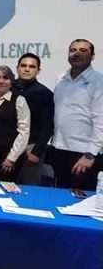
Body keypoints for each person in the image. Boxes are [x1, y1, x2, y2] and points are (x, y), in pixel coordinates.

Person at [48, 39, 103, 190]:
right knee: (58, 197)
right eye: (73, 50)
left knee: (81, 199)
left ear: (92, 56)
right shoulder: (61, 79)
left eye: (83, 50)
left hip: (84, 154)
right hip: (58, 150)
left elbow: (101, 121)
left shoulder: (99, 82)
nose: (77, 53)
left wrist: (90, 154)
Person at [14, 53, 54, 185]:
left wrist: (36, 152)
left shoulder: (44, 94)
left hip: (30, 147)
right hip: (8, 146)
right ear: (17, 68)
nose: (27, 69)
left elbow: (48, 125)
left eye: (31, 67)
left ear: (38, 70)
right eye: (23, 66)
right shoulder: (8, 88)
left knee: (28, 185)